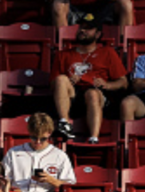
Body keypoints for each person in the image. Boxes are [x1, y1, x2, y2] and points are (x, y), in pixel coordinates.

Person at [51, 14, 128, 142]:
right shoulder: (63, 54)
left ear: (97, 34)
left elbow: (124, 82)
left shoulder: (107, 52)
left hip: (97, 94)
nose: (82, 30)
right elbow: (53, 85)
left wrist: (107, 85)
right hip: (72, 96)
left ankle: (93, 137)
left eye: (88, 28)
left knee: (92, 94)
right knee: (61, 79)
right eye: (81, 27)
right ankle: (65, 123)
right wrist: (68, 80)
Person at [2, 112, 75, 192]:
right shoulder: (13, 152)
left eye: (43, 139)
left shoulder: (59, 155)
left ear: (50, 133)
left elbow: (70, 185)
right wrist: (14, 190)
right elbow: (3, 179)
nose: (38, 142)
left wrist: (50, 180)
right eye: (34, 138)